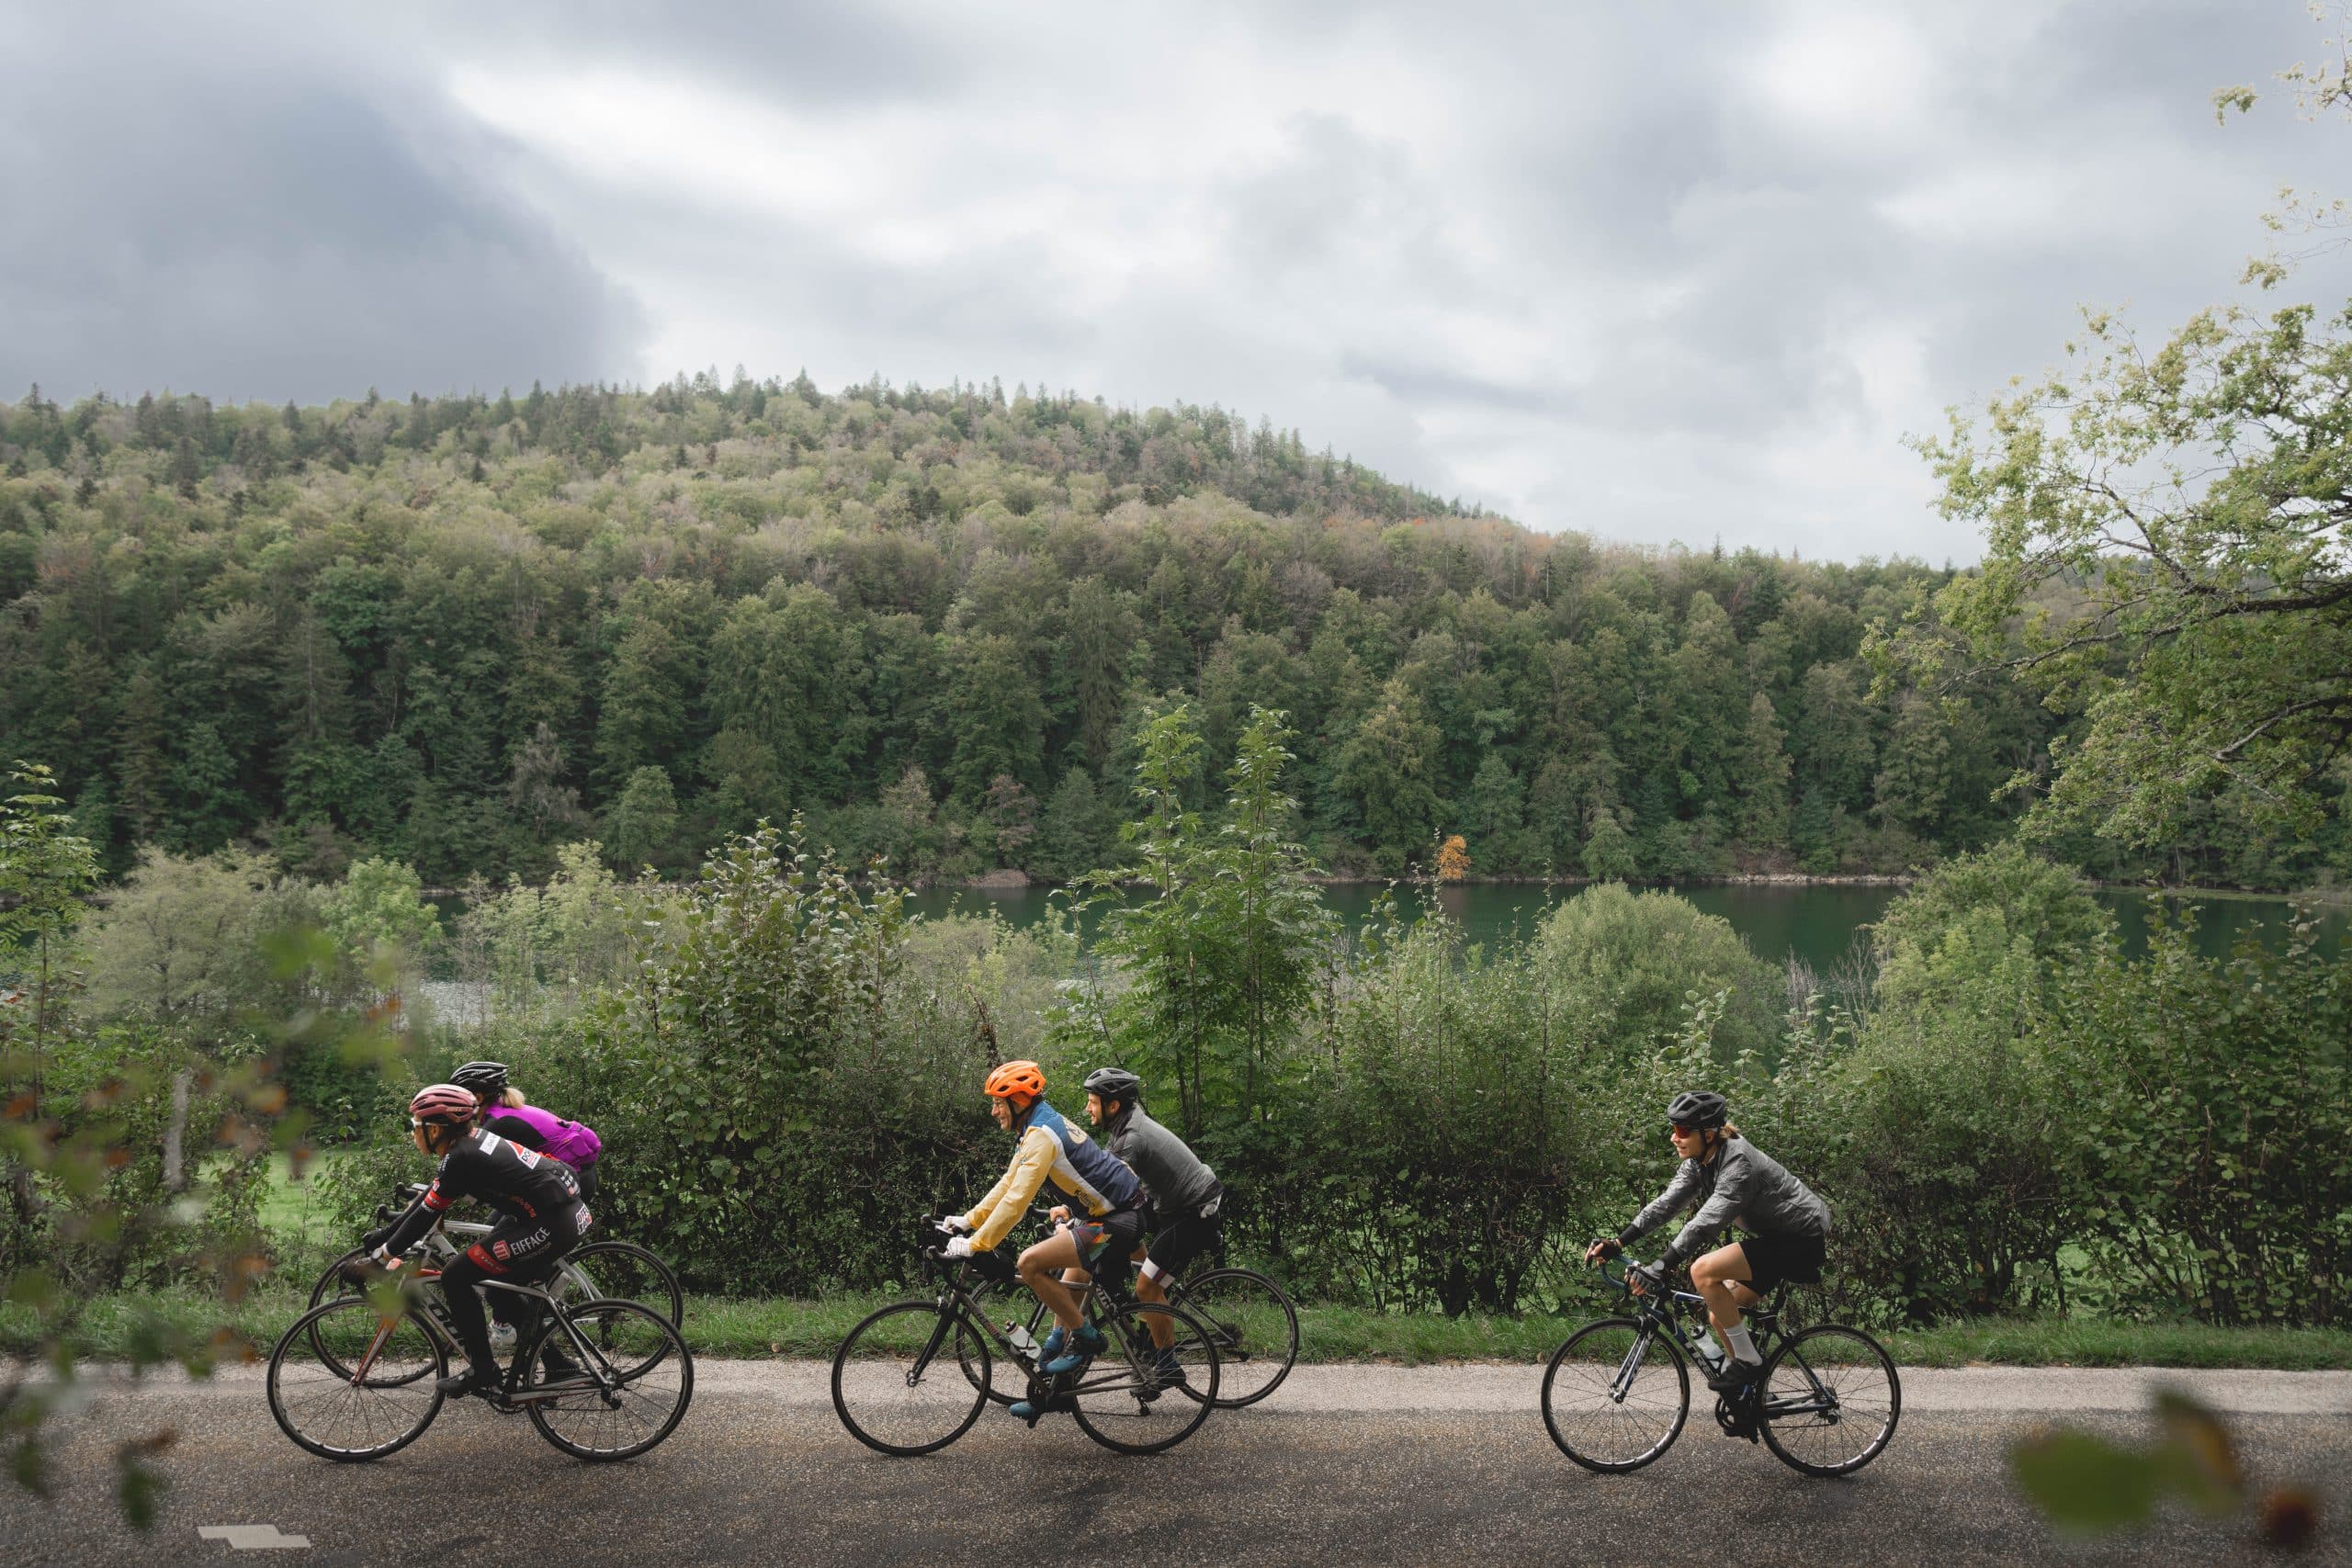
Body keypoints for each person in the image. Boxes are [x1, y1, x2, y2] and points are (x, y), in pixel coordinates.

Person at [1586, 1090, 1830, 1394]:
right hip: (1775, 1239)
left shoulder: (1738, 1162)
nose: (1675, 1138)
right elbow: (1666, 1205)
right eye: (1673, 1129)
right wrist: (1618, 1243)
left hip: (1801, 1238)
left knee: (1703, 1270)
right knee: (1721, 1313)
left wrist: (1661, 1265)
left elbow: (1706, 1222)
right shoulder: (1700, 1160)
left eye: (1682, 1130)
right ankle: (1751, 1397)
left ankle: (1750, 1364)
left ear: (1710, 1133)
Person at [939, 1060, 1145, 1419]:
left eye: (998, 1103)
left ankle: (1089, 1338)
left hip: (1117, 1223)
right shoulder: (1038, 1127)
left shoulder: (1042, 1136)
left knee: (1030, 1263)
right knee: (1063, 1304)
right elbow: (1007, 1184)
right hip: (1105, 1216)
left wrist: (977, 1244)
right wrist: (967, 1221)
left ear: (1019, 1099)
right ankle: (1054, 1395)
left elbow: (1018, 1201)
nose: (994, 1111)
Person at [362, 1083, 595, 1398]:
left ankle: (484, 1369)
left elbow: (426, 1215)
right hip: (557, 1212)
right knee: (498, 1293)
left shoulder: (462, 1156)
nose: (414, 1132)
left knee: (456, 1276)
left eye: (417, 1126)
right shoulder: (470, 1145)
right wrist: (385, 1240)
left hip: (552, 1221)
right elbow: (430, 1199)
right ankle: (558, 1366)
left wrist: (381, 1257)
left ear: (437, 1129)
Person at [1077, 1066, 1221, 1388]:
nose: (1088, 1108)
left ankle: (1167, 1366)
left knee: (1147, 1287)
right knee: (1126, 1240)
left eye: (1092, 1102)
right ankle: (1144, 1322)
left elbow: (1105, 1191)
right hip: (1170, 1206)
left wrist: (1075, 1222)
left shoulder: (1131, 1138)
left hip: (1194, 1212)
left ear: (1113, 1106)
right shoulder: (1124, 1125)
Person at [448, 1059, 605, 1205]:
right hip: (577, 1177)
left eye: (459, 1098)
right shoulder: (502, 1112)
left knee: (503, 1227)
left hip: (571, 1182)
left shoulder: (497, 1124)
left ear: (478, 1097)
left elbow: (470, 1168)